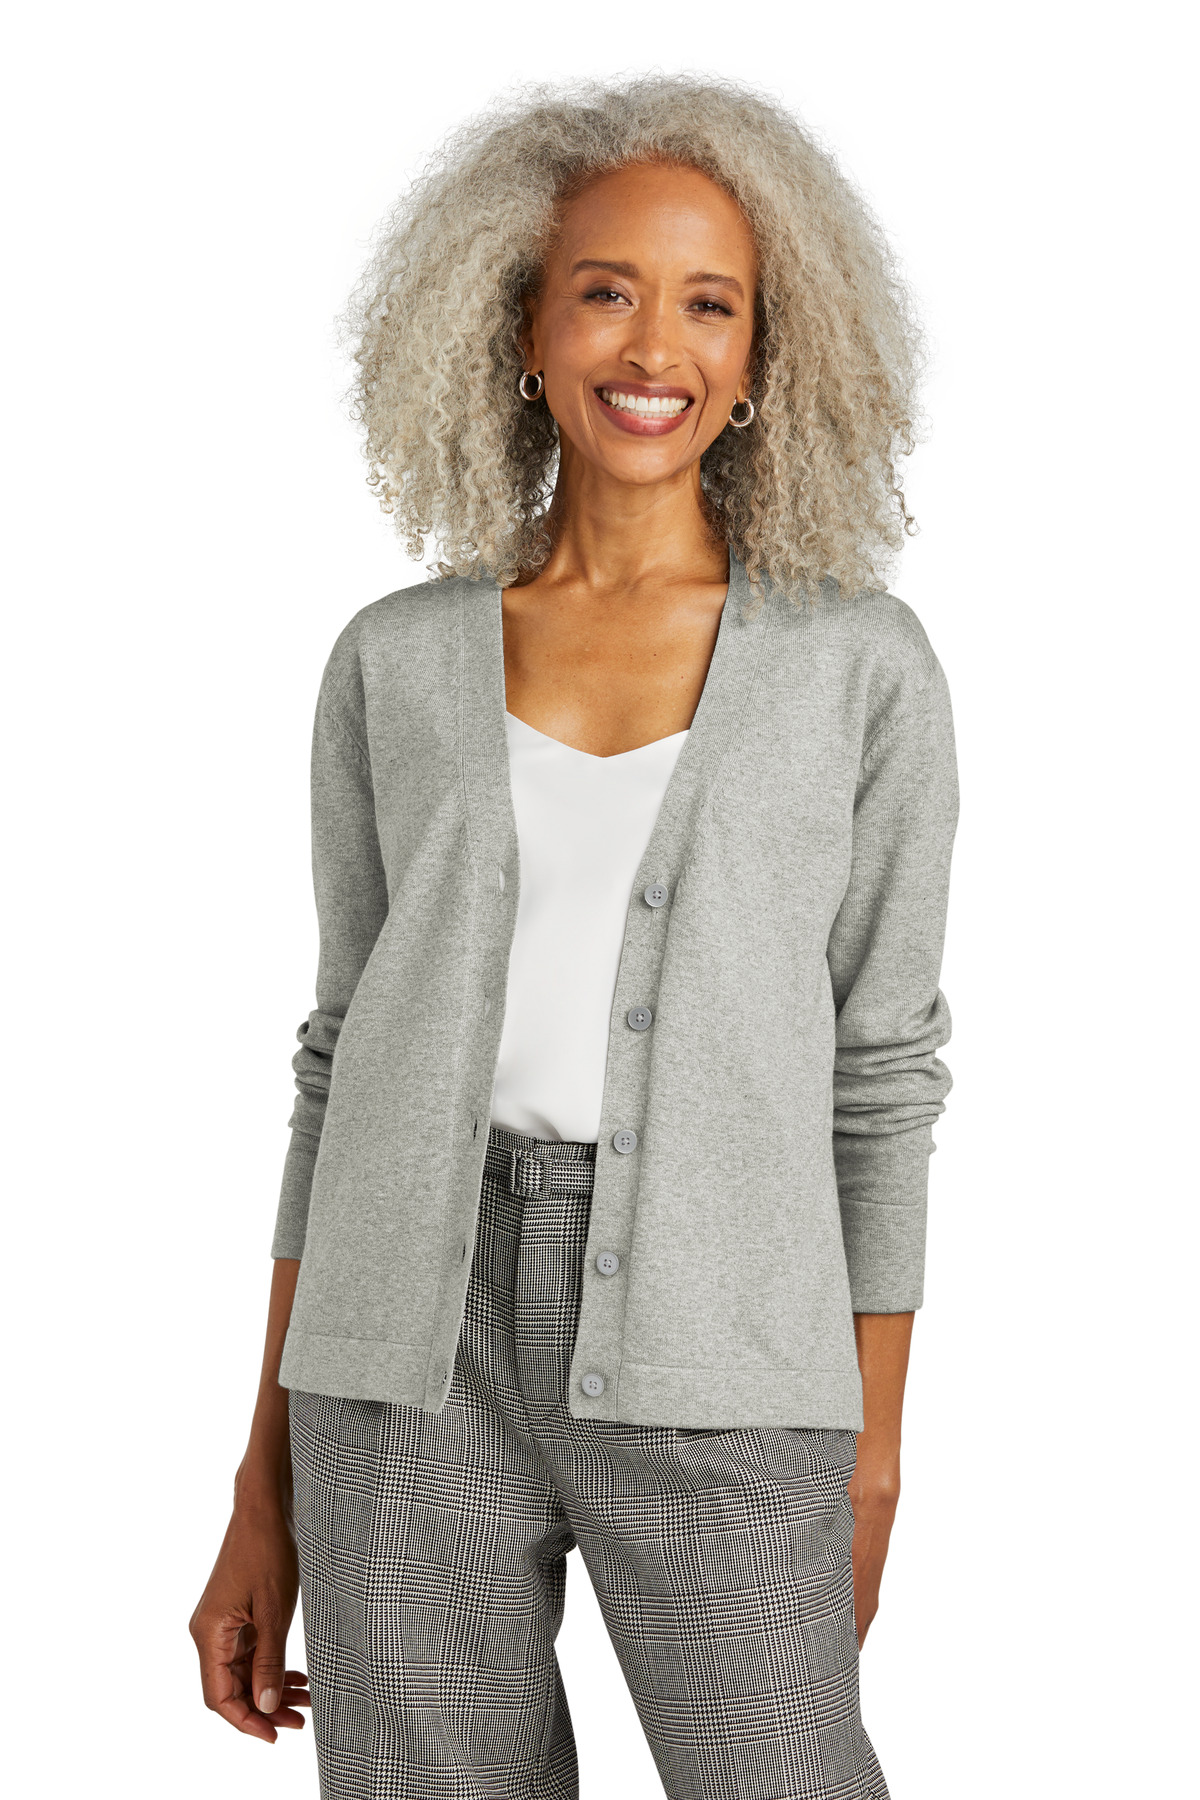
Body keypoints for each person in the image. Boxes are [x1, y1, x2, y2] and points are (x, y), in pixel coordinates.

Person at [190, 74, 958, 1800]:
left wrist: (873, 1449)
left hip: (730, 1352)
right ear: (522, 328)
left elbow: (882, 1077)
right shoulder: (395, 663)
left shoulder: (858, 670)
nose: (654, 344)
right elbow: (337, 1067)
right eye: (605, 289)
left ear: (764, 357)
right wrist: (263, 1485)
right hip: (401, 1367)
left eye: (711, 304)